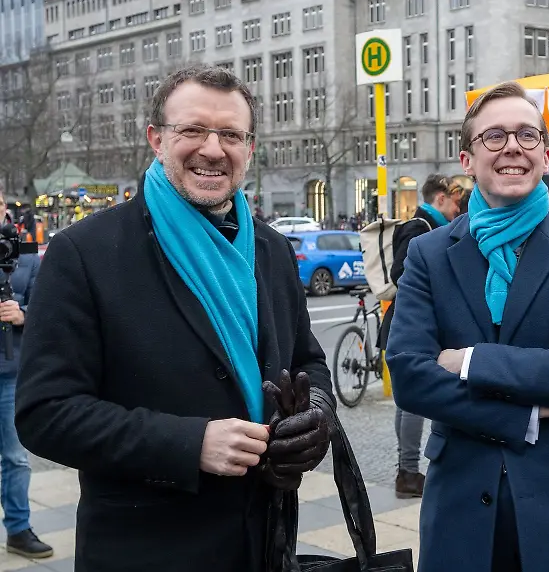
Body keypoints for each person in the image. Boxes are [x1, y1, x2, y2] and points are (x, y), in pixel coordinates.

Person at [15, 65, 335, 572]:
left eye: (231, 134)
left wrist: (313, 416)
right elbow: (45, 413)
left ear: (248, 148)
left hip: (264, 543)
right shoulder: (85, 252)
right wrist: (189, 444)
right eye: (192, 130)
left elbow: (308, 362)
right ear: (156, 139)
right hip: (147, 550)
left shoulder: (271, 249)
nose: (213, 149)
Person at [385, 81, 549, 572]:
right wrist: (530, 410)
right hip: (462, 508)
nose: (512, 146)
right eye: (493, 136)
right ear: (467, 160)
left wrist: (469, 360)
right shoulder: (429, 254)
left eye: (527, 135)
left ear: (546, 154)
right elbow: (409, 375)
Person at [377, 173, 463, 499]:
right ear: (440, 198)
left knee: (407, 402)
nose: (458, 209)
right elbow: (400, 273)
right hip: (410, 324)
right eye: (455, 202)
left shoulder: (427, 225)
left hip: (407, 322)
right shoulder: (419, 227)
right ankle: (409, 472)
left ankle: (407, 470)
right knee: (414, 401)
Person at [0, 194, 51, 559]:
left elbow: (48, 311)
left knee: (16, 457)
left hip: (10, 374)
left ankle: (18, 528)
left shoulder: (27, 254)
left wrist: (23, 315)